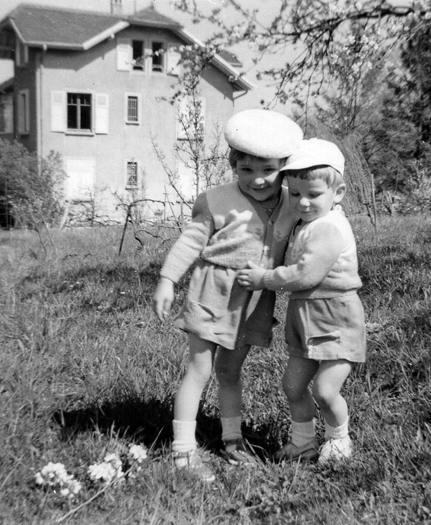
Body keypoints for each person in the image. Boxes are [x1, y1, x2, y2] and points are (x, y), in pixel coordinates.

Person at [153, 109, 303, 482]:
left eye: (268, 169)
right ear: (234, 165)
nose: (257, 179)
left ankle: (232, 441)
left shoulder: (291, 200)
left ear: (283, 167)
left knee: (230, 370)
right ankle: (184, 452)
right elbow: (190, 242)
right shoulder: (215, 200)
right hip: (212, 291)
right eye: (246, 169)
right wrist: (168, 280)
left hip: (254, 298)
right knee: (200, 368)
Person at [236, 138, 366, 464]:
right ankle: (303, 443)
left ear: (338, 194)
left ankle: (338, 441)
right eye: (295, 194)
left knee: (325, 390)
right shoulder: (304, 223)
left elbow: (306, 275)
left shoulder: (329, 228)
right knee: (293, 386)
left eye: (313, 194)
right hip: (305, 317)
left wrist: (264, 278)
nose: (303, 202)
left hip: (336, 316)